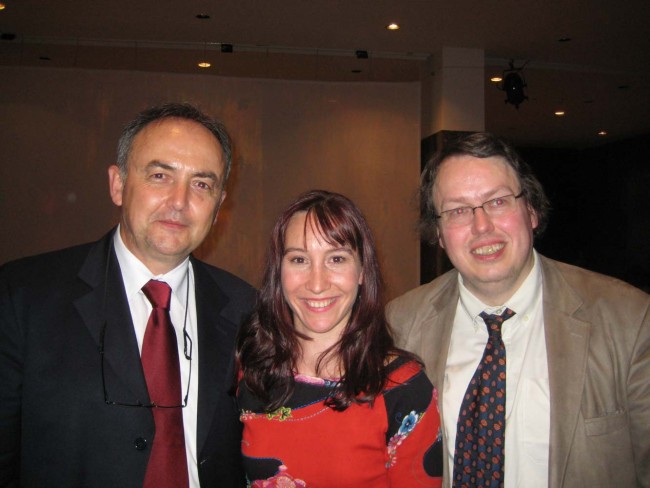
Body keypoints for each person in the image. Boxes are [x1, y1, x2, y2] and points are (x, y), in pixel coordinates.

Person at [0, 102, 255, 488]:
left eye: (202, 184)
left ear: (219, 206)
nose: (180, 201)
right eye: (159, 175)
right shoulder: (23, 296)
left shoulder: (245, 308)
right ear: (117, 184)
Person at [386, 132, 650, 488]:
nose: (482, 227)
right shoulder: (400, 324)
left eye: (497, 202)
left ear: (532, 211)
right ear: (439, 233)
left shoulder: (628, 318)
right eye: (459, 210)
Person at [235, 190, 443, 487]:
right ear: (278, 273)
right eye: (298, 259)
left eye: (336, 258)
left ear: (361, 271)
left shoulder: (403, 388)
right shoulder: (251, 372)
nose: (317, 283)